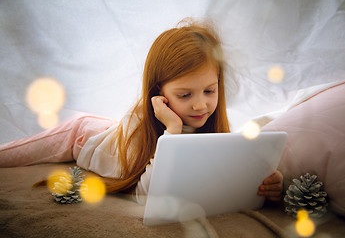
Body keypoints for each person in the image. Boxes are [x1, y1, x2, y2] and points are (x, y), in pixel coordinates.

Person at [0, 18, 283, 205]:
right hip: (84, 135)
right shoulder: (145, 127)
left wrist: (264, 183)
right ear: (157, 94)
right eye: (185, 95)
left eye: (210, 91)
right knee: (10, 155)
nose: (201, 105)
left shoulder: (210, 124)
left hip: (115, 132)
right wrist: (171, 129)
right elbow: (147, 195)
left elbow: (216, 176)